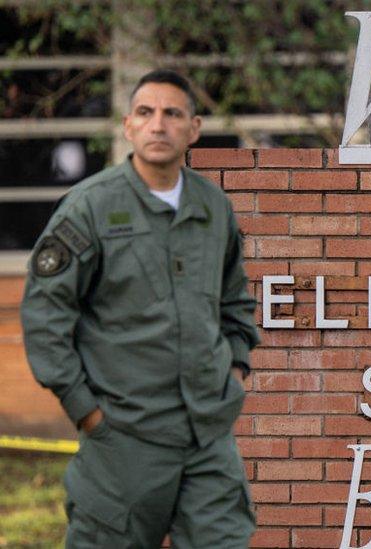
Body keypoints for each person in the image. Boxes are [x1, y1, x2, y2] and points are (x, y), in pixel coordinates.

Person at [21, 69, 260, 548]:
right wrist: (86, 413)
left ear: (193, 128)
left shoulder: (213, 207)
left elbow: (236, 301)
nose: (159, 125)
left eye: (172, 114)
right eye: (146, 113)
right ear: (128, 125)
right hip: (123, 439)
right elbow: (46, 317)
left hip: (207, 437)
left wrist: (234, 372)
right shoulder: (89, 208)